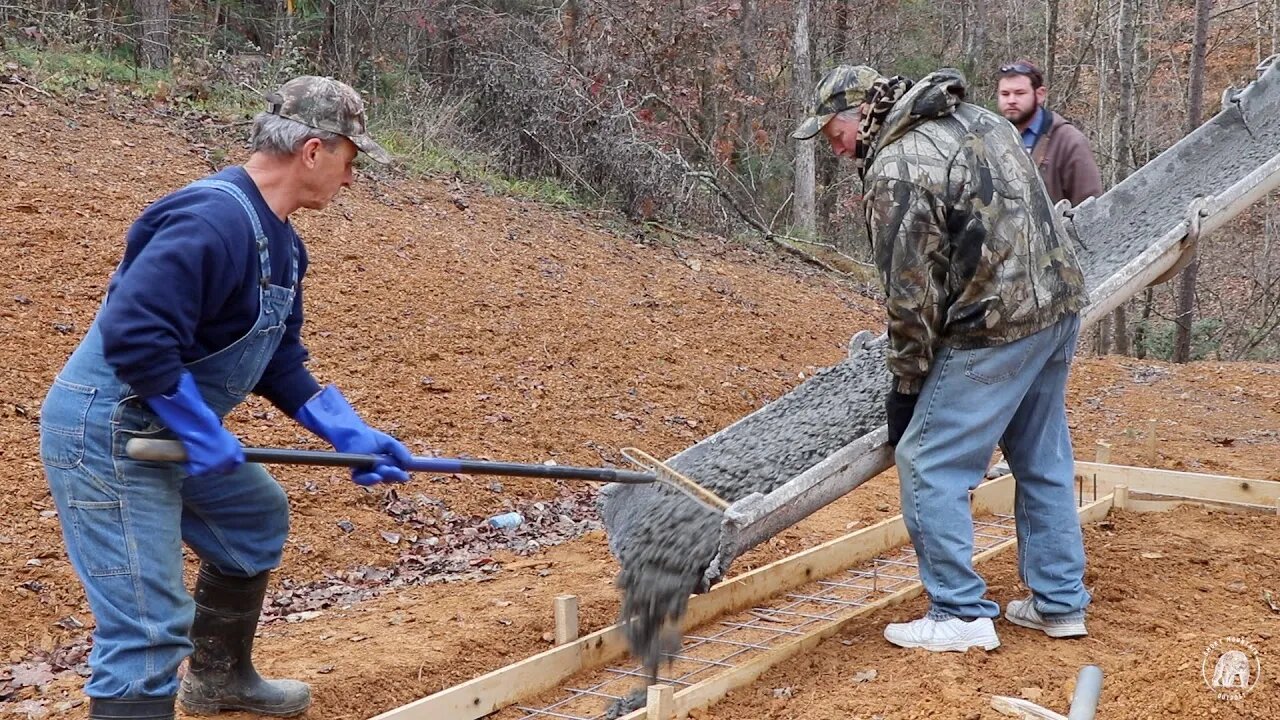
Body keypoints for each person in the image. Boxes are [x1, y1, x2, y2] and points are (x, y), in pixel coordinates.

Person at [39, 76, 413, 720]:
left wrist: (345, 429)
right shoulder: (210, 219)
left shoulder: (284, 245)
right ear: (315, 151)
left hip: (167, 428)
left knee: (252, 516)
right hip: (108, 432)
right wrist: (201, 429)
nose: (351, 181)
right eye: (352, 162)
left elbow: (280, 359)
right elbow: (135, 334)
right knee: (148, 626)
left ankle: (219, 679)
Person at [793, 65, 1091, 652]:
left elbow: (910, 297)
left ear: (862, 116)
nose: (834, 147)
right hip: (1056, 307)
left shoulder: (897, 167)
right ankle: (1059, 603)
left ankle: (959, 612)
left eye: (833, 134)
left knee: (928, 461)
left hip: (996, 326)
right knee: (1041, 454)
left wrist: (906, 390)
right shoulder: (977, 119)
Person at [996, 60, 1103, 206]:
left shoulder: (1069, 142)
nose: (1011, 100)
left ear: (1040, 94)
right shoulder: (992, 137)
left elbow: (1090, 208)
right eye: (1005, 94)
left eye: (1020, 93)